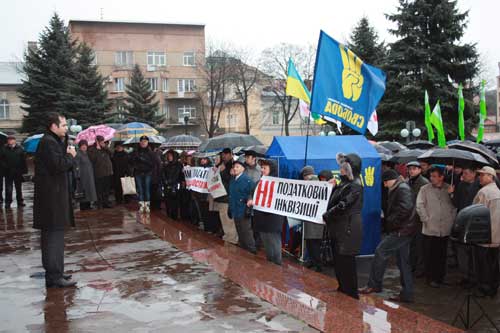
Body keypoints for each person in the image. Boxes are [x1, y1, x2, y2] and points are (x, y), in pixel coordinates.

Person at [33, 113, 77, 288]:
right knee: (53, 239)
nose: (66, 128)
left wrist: (65, 144)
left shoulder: (53, 141)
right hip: (51, 201)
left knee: (56, 238)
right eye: (64, 125)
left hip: (54, 199)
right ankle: (54, 276)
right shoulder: (48, 143)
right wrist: (71, 156)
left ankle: (57, 272)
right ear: (53, 126)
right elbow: (58, 166)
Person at [359, 169, 417, 303]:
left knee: (380, 251)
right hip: (404, 230)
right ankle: (407, 293)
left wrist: (391, 221)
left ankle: (374, 285)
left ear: (391, 179)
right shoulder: (400, 187)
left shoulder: (402, 189)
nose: (384, 185)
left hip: (401, 231)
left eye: (385, 182)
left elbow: (405, 209)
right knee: (403, 263)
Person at [323, 153, 363, 299]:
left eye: (343, 167)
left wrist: (327, 215)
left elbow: (343, 205)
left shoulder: (355, 186)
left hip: (348, 228)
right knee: (339, 260)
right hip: (339, 226)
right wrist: (333, 187)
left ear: (349, 169)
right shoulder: (344, 184)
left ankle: (351, 292)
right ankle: (343, 287)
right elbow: (335, 201)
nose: (340, 169)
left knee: (347, 261)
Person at [416, 167, 457, 288]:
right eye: (431, 176)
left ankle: (440, 277)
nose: (431, 178)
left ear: (441, 177)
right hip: (430, 228)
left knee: (442, 254)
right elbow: (419, 205)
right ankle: (430, 278)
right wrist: (425, 219)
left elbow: (455, 206)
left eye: (434, 176)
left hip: (445, 228)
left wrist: (452, 194)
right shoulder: (424, 189)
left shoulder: (448, 188)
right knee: (430, 255)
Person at [448, 166, 480, 283]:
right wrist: (451, 194)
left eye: (466, 173)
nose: (463, 175)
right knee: (461, 250)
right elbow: (456, 202)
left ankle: (474, 276)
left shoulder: (479, 187)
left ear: (473, 174)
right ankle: (465, 276)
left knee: (472, 253)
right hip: (461, 221)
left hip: (474, 223)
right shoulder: (461, 185)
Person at [249, 159, 285, 264]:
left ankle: (277, 264)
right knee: (266, 242)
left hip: (273, 218)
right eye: (262, 168)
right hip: (261, 217)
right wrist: (250, 199)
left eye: (265, 168)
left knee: (274, 241)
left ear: (271, 169)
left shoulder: (279, 183)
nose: (262, 170)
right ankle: (270, 262)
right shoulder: (259, 183)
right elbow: (252, 193)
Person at [472, 166, 500, 297]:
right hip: (496, 236)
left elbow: (477, 214)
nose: (480, 177)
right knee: (493, 264)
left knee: (483, 265)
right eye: (479, 175)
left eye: (483, 175)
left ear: (491, 177)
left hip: (484, 236)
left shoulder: (484, 192)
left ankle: (484, 289)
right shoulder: (497, 191)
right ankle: (493, 289)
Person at [406, 161, 429, 276]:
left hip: (419, 218)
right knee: (412, 244)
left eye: (414, 169)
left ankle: (420, 269)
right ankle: (412, 266)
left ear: (420, 170)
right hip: (410, 218)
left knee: (420, 245)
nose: (411, 171)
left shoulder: (424, 183)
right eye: (410, 169)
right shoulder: (407, 181)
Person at [229, 159, 256, 253]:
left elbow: (253, 193)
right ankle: (244, 251)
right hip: (235, 209)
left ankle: (252, 251)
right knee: (239, 232)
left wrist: (249, 202)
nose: (235, 169)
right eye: (234, 167)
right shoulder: (233, 180)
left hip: (244, 210)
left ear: (243, 168)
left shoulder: (247, 180)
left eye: (237, 167)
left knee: (246, 232)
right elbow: (231, 195)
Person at [301, 165, 325, 272]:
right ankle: (314, 262)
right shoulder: (320, 183)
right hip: (316, 220)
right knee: (313, 243)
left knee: (313, 244)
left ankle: (317, 264)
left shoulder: (312, 184)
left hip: (313, 220)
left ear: (306, 175)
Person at [214, 148, 238, 244]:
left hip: (228, 196)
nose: (224, 156)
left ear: (231, 154)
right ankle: (227, 236)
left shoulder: (234, 166)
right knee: (223, 218)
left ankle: (232, 238)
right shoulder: (221, 165)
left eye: (226, 154)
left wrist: (223, 171)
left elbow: (231, 181)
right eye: (222, 154)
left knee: (228, 219)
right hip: (220, 194)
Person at [130, 136, 156, 213]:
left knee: (147, 190)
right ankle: (142, 206)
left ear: (147, 142)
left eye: (145, 141)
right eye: (142, 141)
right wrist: (134, 157)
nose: (143, 142)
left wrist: (143, 160)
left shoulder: (151, 152)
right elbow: (131, 162)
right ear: (140, 142)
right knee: (140, 190)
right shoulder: (136, 151)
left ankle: (147, 206)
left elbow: (153, 164)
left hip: (147, 173)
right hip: (138, 173)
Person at [2, 136, 28, 208]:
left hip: (18, 172)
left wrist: (24, 171)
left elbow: (23, 161)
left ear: (15, 141)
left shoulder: (20, 149)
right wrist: (5, 167)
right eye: (9, 140)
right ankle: (8, 202)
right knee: (8, 188)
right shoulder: (4, 149)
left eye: (11, 140)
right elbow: (1, 160)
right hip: (8, 172)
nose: (10, 141)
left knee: (19, 188)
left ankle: (20, 202)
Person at [88, 136, 113, 208]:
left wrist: (105, 147)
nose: (102, 142)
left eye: (103, 141)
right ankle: (99, 203)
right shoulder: (91, 149)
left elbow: (111, 153)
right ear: (97, 141)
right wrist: (97, 149)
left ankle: (106, 202)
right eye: (100, 141)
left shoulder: (105, 148)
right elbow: (92, 159)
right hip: (98, 172)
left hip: (108, 171)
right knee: (99, 189)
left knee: (106, 189)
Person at [74, 140, 97, 210]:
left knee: (89, 190)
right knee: (83, 190)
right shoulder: (78, 154)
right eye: (82, 145)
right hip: (82, 176)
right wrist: (77, 175)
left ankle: (88, 204)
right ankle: (83, 205)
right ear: (80, 146)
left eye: (85, 145)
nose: (84, 147)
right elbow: (76, 165)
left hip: (89, 175)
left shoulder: (87, 154)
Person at [162, 149, 184, 219]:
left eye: (171, 156)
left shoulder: (179, 165)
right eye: (168, 156)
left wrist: (171, 182)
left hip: (175, 185)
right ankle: (169, 214)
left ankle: (174, 215)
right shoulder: (166, 165)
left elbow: (178, 175)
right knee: (167, 200)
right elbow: (163, 174)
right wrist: (165, 181)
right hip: (167, 185)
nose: (169, 157)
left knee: (175, 201)